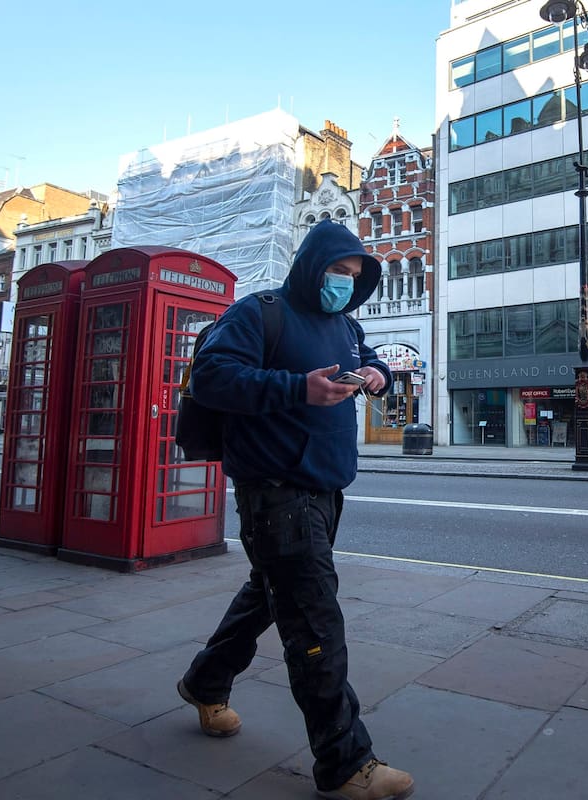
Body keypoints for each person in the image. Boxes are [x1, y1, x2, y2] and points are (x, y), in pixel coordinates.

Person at [177, 220, 415, 800]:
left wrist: (379, 373)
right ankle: (345, 762)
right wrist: (296, 388)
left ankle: (206, 681)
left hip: (326, 487)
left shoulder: (346, 325)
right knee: (314, 619)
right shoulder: (259, 313)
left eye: (354, 275)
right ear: (312, 266)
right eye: (337, 271)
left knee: (268, 593)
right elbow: (211, 377)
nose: (344, 282)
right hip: (275, 489)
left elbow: (369, 356)